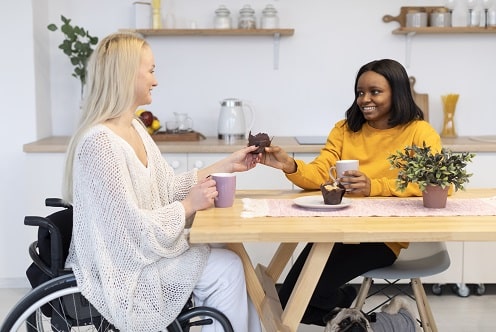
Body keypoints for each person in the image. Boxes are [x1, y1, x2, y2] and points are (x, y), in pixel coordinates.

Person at [61, 32, 262, 332]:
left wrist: (227, 164)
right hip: (125, 273)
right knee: (228, 269)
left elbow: (166, 187)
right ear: (128, 74)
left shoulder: (135, 127)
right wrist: (187, 206)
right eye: (151, 71)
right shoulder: (100, 144)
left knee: (233, 260)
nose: (155, 81)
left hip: (144, 260)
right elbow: (128, 233)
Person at [259, 58, 442, 326]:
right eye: (360, 92)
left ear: (398, 92)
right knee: (289, 300)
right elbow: (323, 173)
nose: (365, 99)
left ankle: (387, 324)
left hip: (383, 237)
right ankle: (353, 306)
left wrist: (374, 186)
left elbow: (433, 184)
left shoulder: (418, 132)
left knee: (297, 303)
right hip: (335, 230)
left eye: (375, 91)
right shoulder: (345, 129)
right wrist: (291, 165)